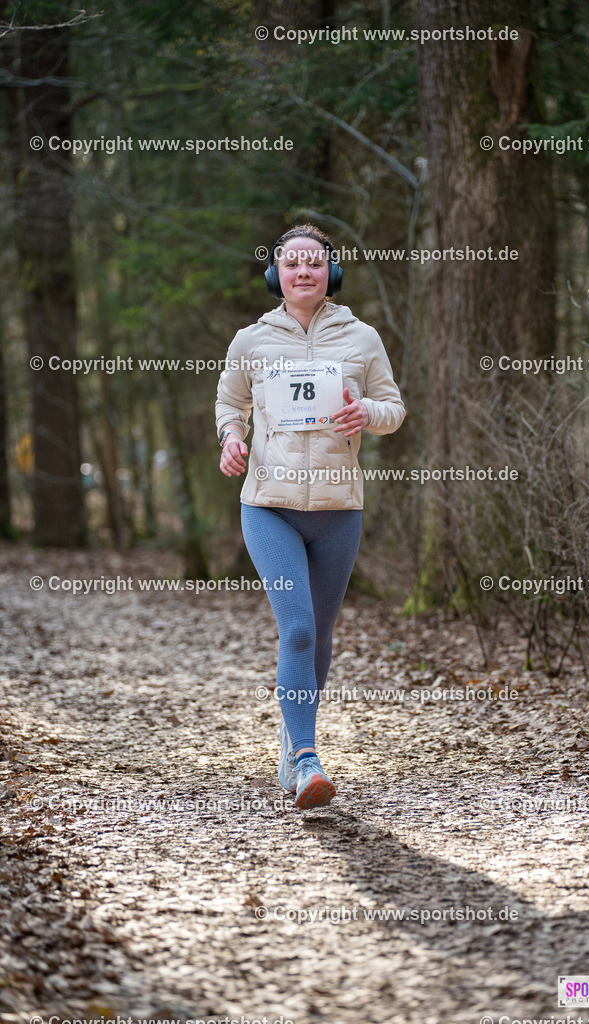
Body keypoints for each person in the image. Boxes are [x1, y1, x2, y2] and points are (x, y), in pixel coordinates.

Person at [215, 224, 405, 809]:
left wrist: (365, 413)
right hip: (267, 505)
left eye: (314, 264)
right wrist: (231, 437)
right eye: (292, 264)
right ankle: (305, 759)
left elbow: (393, 409)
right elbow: (229, 401)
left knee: (319, 636)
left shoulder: (362, 337)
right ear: (276, 274)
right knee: (295, 628)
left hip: (337, 509)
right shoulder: (251, 340)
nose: (303, 272)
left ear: (331, 273)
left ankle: (292, 739)